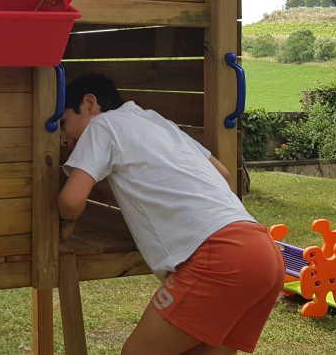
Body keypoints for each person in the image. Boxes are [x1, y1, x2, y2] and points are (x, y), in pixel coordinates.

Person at [57, 74, 283, 355]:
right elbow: (223, 175)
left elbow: (70, 202)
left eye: (63, 123)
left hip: (220, 258)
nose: (63, 138)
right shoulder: (155, 120)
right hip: (262, 252)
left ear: (89, 104)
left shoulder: (102, 125)